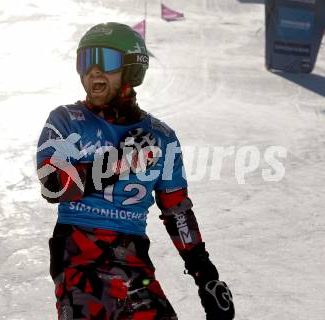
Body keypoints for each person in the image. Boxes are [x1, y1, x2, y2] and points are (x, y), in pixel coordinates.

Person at [37, 22, 234, 320]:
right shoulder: (67, 121)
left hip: (132, 262)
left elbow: (177, 211)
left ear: (132, 68)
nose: (94, 71)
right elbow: (52, 185)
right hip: (79, 256)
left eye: (106, 60)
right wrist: (122, 162)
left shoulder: (161, 136)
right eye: (86, 60)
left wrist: (206, 276)